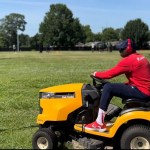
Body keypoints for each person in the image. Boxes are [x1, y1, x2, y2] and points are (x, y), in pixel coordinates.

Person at [85, 38, 150, 132]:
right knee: (113, 86)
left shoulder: (129, 60)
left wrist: (95, 74)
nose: (119, 51)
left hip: (142, 92)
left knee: (108, 87)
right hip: (145, 90)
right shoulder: (141, 58)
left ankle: (99, 123)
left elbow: (109, 74)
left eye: (121, 49)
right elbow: (142, 79)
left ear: (128, 49)